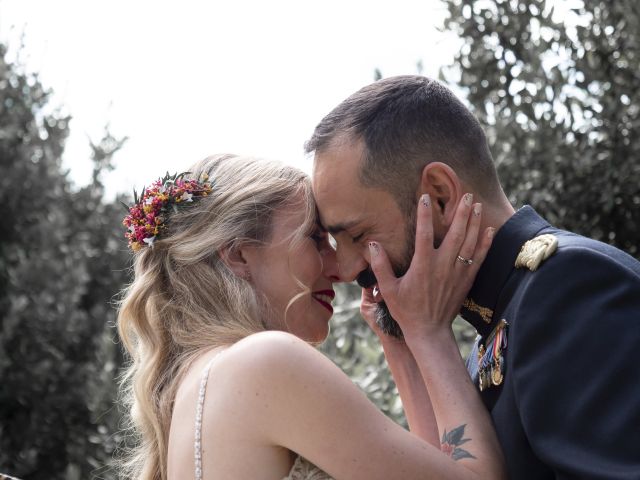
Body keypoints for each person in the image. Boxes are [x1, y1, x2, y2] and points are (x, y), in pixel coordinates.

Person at [307, 75, 640, 479]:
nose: (344, 272)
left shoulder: (568, 286)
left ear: (441, 195)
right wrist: (407, 340)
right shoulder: (494, 326)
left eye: (359, 235)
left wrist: (426, 334)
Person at [116, 153, 506, 480]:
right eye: (315, 238)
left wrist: (400, 340)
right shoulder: (263, 363)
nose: (340, 267)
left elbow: (437, 467)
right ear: (238, 255)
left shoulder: (197, 386)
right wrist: (430, 330)